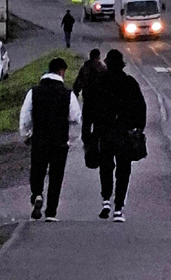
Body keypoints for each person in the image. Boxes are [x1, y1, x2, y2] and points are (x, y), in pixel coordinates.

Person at [83, 49, 147, 223]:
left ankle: (105, 200)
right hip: (124, 133)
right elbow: (141, 107)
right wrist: (138, 128)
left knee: (106, 166)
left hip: (103, 132)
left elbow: (89, 107)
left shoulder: (99, 82)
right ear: (122, 64)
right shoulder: (129, 82)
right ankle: (119, 208)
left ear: (107, 64)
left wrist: (87, 131)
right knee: (123, 170)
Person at [19, 56, 82, 222]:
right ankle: (51, 212)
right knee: (56, 176)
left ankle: (37, 194)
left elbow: (25, 117)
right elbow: (76, 117)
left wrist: (26, 135)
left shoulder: (34, 92)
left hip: (39, 139)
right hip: (60, 141)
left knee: (37, 171)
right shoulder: (68, 94)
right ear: (62, 72)